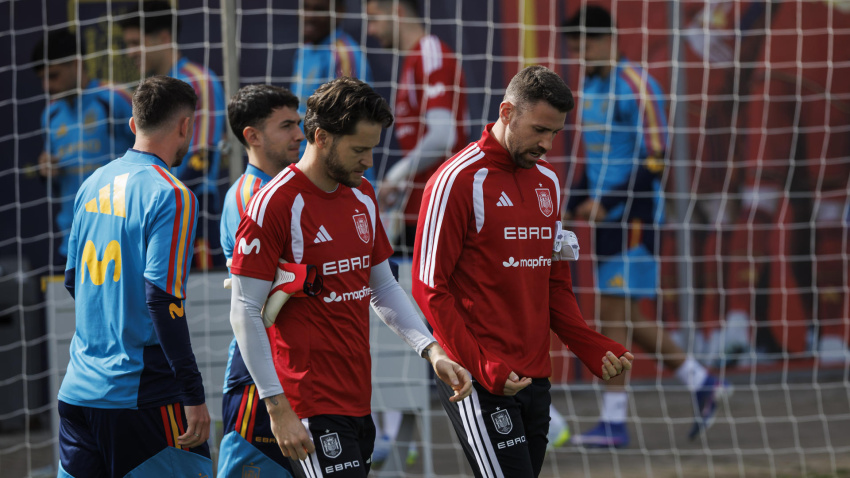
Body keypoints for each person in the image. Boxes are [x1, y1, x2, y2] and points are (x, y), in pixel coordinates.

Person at [228, 77, 472, 476]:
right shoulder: (275, 202)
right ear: (321, 137)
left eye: (372, 149)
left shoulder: (362, 195)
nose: (369, 161)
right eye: (359, 149)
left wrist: (432, 350)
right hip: (307, 405)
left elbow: (383, 288)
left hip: (359, 401)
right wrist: (278, 409)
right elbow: (243, 311)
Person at [411, 65, 634, 477]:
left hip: (534, 377)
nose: (547, 144)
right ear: (507, 112)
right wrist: (482, 366)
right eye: (539, 130)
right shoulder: (456, 180)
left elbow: (554, 282)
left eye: (555, 133)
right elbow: (429, 289)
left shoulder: (547, 180)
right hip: (479, 378)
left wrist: (588, 343)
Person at [561, 5, 730, 448]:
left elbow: (656, 158)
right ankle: (701, 381)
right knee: (630, 318)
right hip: (607, 219)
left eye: (588, 42)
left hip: (634, 218)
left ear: (611, 39)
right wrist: (575, 200)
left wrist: (609, 203)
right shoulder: (589, 85)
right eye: (575, 45)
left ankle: (614, 421)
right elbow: (595, 159)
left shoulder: (637, 83)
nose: (582, 52)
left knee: (613, 316)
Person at [58, 75, 210, 477]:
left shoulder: (91, 183)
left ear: (132, 125)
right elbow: (161, 299)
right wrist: (192, 394)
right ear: (185, 126)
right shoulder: (172, 193)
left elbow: (73, 280)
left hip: (77, 393)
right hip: (141, 396)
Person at [719, 0, 850, 365]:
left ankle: (737, 325)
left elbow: (756, 16)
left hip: (774, 65)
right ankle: (832, 336)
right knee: (828, 211)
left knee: (758, 200)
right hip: (834, 74)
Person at [217, 85, 304, 477]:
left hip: (297, 364)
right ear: (251, 136)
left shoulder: (288, 190)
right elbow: (268, 292)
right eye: (286, 126)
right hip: (260, 374)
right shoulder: (251, 198)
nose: (299, 134)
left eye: (298, 124)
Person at [120, 0, 227, 269]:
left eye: (136, 43)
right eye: (127, 45)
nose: (130, 52)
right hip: (155, 213)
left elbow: (204, 156)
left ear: (164, 37)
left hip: (195, 214)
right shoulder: (147, 90)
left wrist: (154, 196)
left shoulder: (198, 80)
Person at [366, 0, 469, 253]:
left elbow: (443, 136)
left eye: (374, 18)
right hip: (418, 212)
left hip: (440, 213)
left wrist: (394, 177)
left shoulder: (431, 52)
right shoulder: (414, 59)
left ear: (397, 11)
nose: (370, 30)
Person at [32, 28, 135, 262]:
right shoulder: (50, 113)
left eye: (53, 76)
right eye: (42, 79)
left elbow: (150, 155)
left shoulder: (114, 98)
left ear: (76, 64)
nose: (46, 86)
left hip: (118, 231)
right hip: (72, 236)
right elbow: (55, 176)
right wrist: (46, 169)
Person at [292, 0, 372, 160]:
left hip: (333, 171)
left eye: (318, 10)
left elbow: (350, 125)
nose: (309, 16)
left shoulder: (343, 56)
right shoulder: (304, 51)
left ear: (339, 12)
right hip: (306, 162)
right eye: (305, 8)